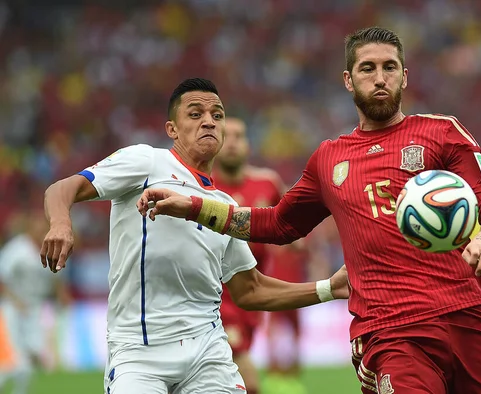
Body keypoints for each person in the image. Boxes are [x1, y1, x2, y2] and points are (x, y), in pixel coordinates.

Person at [136, 27, 481, 394]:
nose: (380, 78)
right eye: (367, 68)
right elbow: (278, 223)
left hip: (470, 314)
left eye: (389, 67)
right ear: (348, 80)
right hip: (391, 333)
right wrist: (193, 207)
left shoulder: (443, 132)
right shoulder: (330, 159)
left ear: (404, 76)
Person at [40, 78, 349, 394]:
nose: (209, 121)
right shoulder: (147, 161)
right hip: (139, 351)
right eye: (195, 114)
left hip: (207, 354)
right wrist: (61, 224)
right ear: (172, 129)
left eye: (217, 115)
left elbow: (251, 290)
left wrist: (329, 288)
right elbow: (62, 188)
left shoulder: (226, 208)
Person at [213, 117, 307, 394]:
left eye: (238, 136)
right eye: (225, 136)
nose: (231, 142)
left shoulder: (267, 182)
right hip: (214, 299)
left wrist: (295, 243)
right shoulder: (204, 187)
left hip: (250, 299)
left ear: (247, 144)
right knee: (249, 383)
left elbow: (289, 224)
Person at [0, 211, 70, 394]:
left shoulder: (51, 250)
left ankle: (20, 390)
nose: (41, 232)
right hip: (13, 306)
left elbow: (56, 278)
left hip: (35, 307)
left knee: (33, 351)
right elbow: (3, 277)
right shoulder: (17, 249)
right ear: (30, 229)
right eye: (38, 229)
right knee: (15, 353)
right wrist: (15, 301)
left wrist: (61, 296)